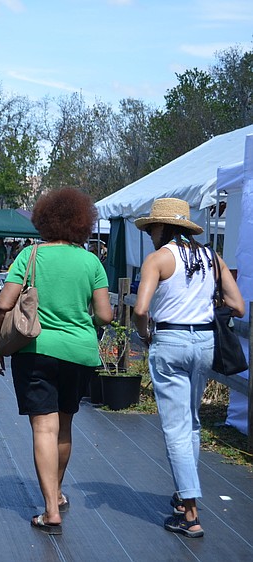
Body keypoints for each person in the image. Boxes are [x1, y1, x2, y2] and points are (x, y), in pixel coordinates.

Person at [0, 188, 113, 536]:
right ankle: (56, 494)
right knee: (65, 425)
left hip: (36, 351)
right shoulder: (91, 262)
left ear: (43, 220)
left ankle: (49, 510)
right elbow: (104, 315)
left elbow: (2, 304)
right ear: (81, 223)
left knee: (44, 427)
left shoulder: (29, 256)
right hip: (79, 353)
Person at [132, 198, 244, 539]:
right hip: (204, 344)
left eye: (152, 227)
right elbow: (238, 306)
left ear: (163, 227)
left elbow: (140, 309)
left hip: (170, 341)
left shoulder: (158, 259)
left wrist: (145, 333)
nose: (150, 233)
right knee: (191, 423)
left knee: (176, 429)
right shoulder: (212, 258)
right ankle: (183, 496)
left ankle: (191, 514)